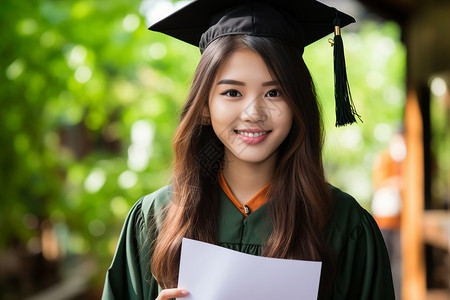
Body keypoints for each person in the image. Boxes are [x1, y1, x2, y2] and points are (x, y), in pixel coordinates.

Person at [102, 0, 395, 299]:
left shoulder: (346, 226)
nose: (253, 112)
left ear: (298, 105)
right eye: (232, 92)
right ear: (204, 106)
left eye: (274, 92)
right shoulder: (154, 219)